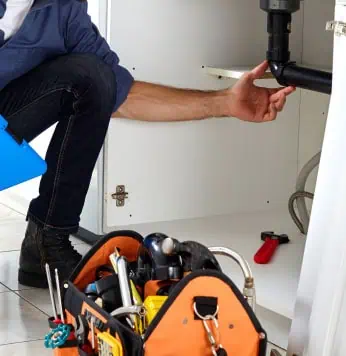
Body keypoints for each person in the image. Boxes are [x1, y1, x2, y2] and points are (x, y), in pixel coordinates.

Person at [0, 0, 295, 288]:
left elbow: (119, 94)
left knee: (93, 78)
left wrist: (224, 102)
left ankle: (46, 247)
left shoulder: (63, 12)